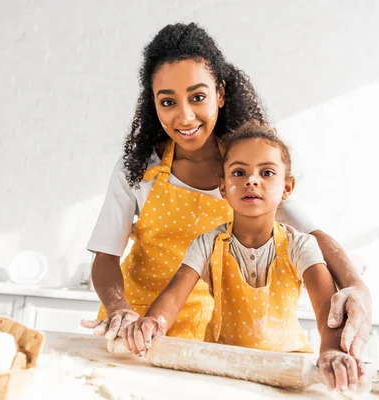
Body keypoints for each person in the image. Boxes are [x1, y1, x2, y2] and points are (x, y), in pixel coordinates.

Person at [82, 22, 371, 358]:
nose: (185, 116)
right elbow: (105, 257)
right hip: (135, 326)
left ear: (219, 93)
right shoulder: (137, 168)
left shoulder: (243, 169)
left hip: (206, 335)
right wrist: (119, 308)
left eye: (198, 97)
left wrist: (357, 287)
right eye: (168, 102)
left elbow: (314, 237)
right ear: (153, 104)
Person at [121, 121, 364, 390]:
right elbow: (174, 295)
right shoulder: (207, 243)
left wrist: (331, 350)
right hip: (221, 370)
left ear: (287, 187)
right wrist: (153, 323)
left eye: (267, 173)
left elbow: (324, 307)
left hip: (287, 369)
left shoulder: (301, 246)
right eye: (239, 172)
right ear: (223, 188)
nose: (251, 180)